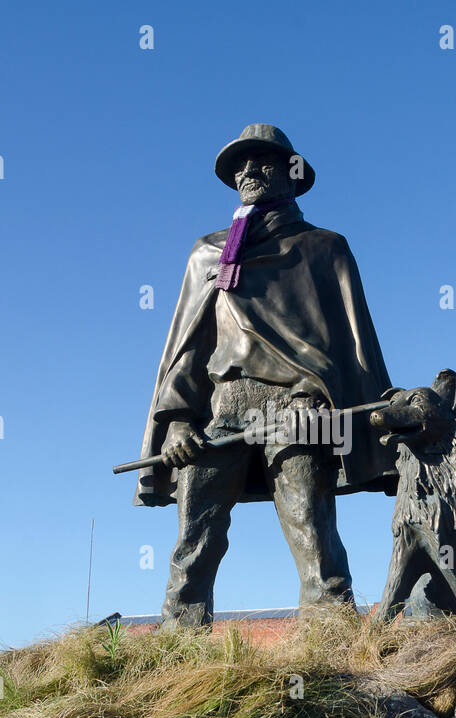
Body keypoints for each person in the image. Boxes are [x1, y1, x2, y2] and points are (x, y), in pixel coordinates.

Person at [133, 124, 396, 625]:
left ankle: (332, 648)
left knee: (312, 532)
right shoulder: (208, 253)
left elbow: (350, 345)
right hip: (223, 406)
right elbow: (188, 347)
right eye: (239, 166)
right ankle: (177, 654)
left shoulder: (325, 247)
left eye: (263, 161)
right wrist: (179, 421)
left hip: (299, 408)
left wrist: (319, 401)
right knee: (195, 540)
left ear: (293, 174)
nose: (248, 171)